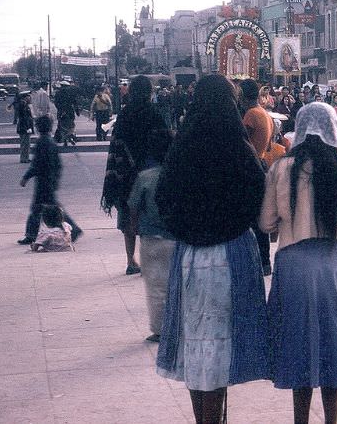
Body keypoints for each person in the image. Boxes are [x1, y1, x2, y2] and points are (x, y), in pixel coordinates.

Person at [155, 74, 269, 423]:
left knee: (196, 344)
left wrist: (188, 228)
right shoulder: (239, 147)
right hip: (232, 254)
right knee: (220, 347)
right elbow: (257, 192)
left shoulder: (182, 145)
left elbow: (163, 198)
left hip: (191, 257)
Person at [259, 102, 337, 424]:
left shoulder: (282, 168)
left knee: (299, 349)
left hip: (295, 265)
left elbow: (266, 221)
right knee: (333, 349)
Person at [101, 75, 166, 275]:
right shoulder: (154, 112)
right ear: (149, 91)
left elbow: (117, 143)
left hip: (126, 173)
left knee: (128, 214)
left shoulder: (125, 113)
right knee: (149, 215)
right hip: (149, 169)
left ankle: (131, 260)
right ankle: (149, 261)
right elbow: (164, 141)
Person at [128, 129, 174, 343]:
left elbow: (134, 208)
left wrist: (135, 229)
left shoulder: (144, 177)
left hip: (152, 238)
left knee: (156, 286)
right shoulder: (179, 174)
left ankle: (160, 329)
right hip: (177, 236)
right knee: (177, 284)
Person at [18, 116, 81, 245]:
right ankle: (32, 234)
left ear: (39, 127)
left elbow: (36, 164)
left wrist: (26, 177)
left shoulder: (42, 142)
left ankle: (73, 229)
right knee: (43, 208)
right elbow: (58, 164)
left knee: (42, 209)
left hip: (43, 182)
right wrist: (55, 180)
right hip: (49, 181)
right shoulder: (50, 142)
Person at [240, 79, 274, 276]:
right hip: (262, 163)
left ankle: (257, 260)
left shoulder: (251, 114)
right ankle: (265, 261)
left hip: (251, 165)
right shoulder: (265, 114)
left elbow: (242, 139)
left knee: (252, 217)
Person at [17, 92, 34, 163]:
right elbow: (24, 118)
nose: (30, 98)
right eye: (29, 97)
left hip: (25, 126)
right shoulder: (23, 105)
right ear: (25, 97)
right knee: (25, 143)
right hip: (24, 127)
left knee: (27, 143)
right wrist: (28, 127)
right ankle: (23, 158)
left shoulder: (24, 104)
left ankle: (26, 157)